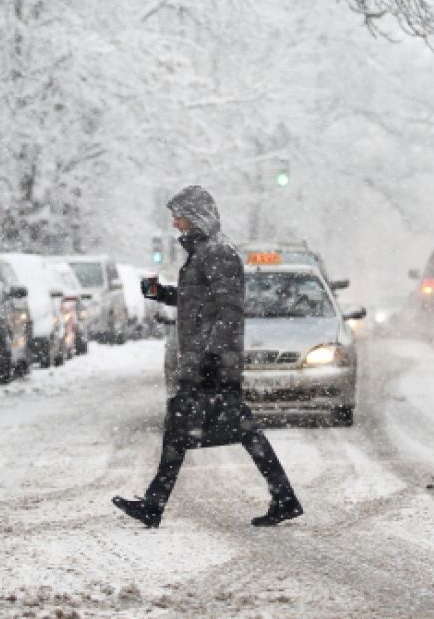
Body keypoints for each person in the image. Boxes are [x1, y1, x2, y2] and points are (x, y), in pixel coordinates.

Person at [112, 185, 302, 528]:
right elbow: (199, 302)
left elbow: (230, 309)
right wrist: (161, 293)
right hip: (204, 358)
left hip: (211, 361)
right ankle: (282, 497)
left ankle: (283, 497)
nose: (174, 223)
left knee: (224, 428)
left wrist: (214, 357)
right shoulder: (203, 253)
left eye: (179, 215)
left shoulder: (218, 253)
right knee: (196, 427)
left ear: (197, 216)